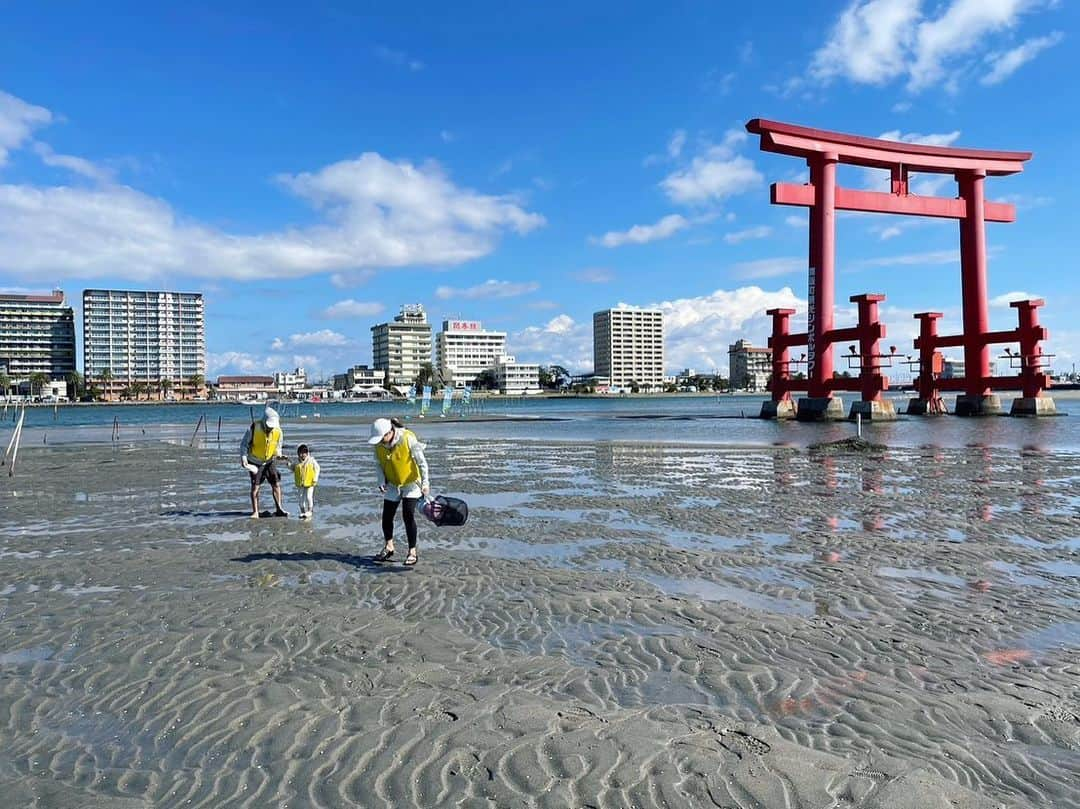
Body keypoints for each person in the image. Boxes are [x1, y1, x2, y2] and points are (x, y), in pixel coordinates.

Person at [369, 417, 429, 565]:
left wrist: (425, 483)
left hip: (411, 484)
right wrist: (380, 480)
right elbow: (378, 464)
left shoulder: (407, 438)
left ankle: (412, 552)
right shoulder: (378, 445)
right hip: (392, 484)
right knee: (386, 517)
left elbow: (422, 463)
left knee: (408, 515)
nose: (380, 442)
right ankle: (389, 547)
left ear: (389, 432)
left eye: (382, 438)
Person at [240, 406, 288, 518]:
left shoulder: (278, 431)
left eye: (272, 427)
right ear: (264, 421)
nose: (270, 429)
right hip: (255, 461)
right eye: (268, 426)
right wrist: (244, 458)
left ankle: (279, 508)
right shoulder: (253, 427)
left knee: (276, 484)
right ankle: (255, 511)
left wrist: (280, 456)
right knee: (255, 487)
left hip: (270, 460)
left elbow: (278, 448)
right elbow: (244, 445)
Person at [288, 443, 320, 519]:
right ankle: (302, 512)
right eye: (300, 453)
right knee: (300, 498)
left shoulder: (311, 460)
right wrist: (287, 464)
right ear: (298, 454)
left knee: (309, 497)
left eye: (304, 453)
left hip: (310, 483)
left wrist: (315, 478)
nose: (302, 455)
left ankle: (310, 511)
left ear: (307, 453)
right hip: (300, 483)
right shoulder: (296, 462)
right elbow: (292, 468)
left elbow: (317, 468)